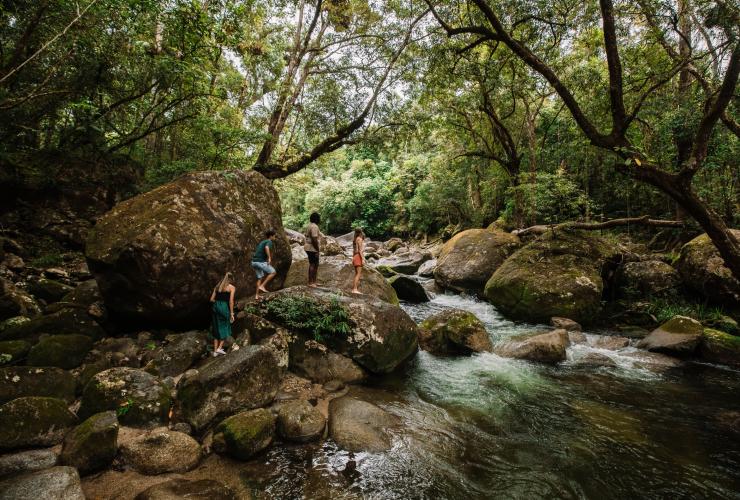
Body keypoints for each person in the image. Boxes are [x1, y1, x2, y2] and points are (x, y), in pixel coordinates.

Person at [210, 271, 235, 357]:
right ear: (231, 279)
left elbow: (211, 299)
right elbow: (231, 301)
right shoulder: (231, 287)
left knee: (216, 327)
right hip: (224, 307)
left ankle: (215, 352)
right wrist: (232, 313)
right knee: (226, 326)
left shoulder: (217, 287)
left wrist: (217, 303)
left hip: (215, 306)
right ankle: (219, 348)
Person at [251, 229, 277, 299]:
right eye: (274, 236)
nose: (275, 237)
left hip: (254, 262)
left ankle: (256, 296)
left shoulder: (263, 241)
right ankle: (262, 286)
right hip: (260, 262)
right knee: (273, 272)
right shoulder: (269, 241)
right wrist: (269, 258)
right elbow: (266, 247)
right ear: (271, 236)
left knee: (260, 278)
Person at [304, 212, 321, 287]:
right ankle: (311, 282)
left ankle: (314, 281)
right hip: (312, 248)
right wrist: (317, 249)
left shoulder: (310, 225)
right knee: (313, 264)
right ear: (317, 219)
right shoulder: (314, 227)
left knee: (316, 264)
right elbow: (314, 239)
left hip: (309, 247)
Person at [351, 227, 365, 294]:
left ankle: (354, 289)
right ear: (360, 232)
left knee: (356, 274)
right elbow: (360, 251)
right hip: (358, 257)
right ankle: (355, 289)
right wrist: (363, 259)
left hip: (355, 256)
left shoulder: (355, 239)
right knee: (358, 274)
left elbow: (354, 251)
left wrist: (353, 258)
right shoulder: (359, 239)